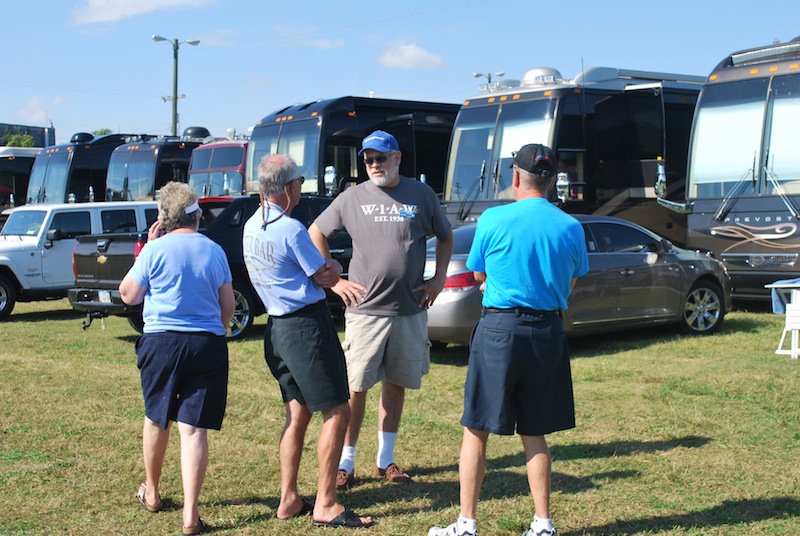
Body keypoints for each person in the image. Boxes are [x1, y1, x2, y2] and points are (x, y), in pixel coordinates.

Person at [428, 144, 589, 536]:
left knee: (477, 429)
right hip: (547, 331)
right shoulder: (571, 227)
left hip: (500, 330)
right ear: (552, 182)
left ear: (516, 177)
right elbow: (571, 282)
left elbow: (479, 276)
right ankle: (543, 523)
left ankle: (466, 523)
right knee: (535, 431)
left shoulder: (493, 219)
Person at [309, 130, 454, 490]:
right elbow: (316, 232)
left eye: (381, 158)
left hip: (409, 310)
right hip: (364, 310)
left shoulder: (420, 195)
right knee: (355, 388)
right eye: (369, 159)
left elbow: (447, 235)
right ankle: (346, 462)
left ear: (397, 158)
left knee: (396, 384)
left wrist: (439, 280)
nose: (374, 165)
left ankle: (385, 460)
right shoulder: (352, 197)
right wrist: (334, 279)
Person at [242, 154, 373, 528]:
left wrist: (323, 272)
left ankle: (288, 499)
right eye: (299, 181)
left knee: (297, 412)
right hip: (305, 328)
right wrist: (330, 271)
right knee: (338, 410)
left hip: (277, 329)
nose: (301, 187)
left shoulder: (251, 225)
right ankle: (326, 504)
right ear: (287, 188)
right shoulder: (290, 227)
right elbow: (325, 276)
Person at [120, 181, 235, 536]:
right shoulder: (214, 251)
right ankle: (190, 512)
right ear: (197, 214)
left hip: (162, 343)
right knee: (194, 428)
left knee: (157, 418)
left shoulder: (154, 251)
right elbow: (227, 308)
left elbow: (129, 295)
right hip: (206, 344)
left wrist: (147, 251)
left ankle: (152, 492)